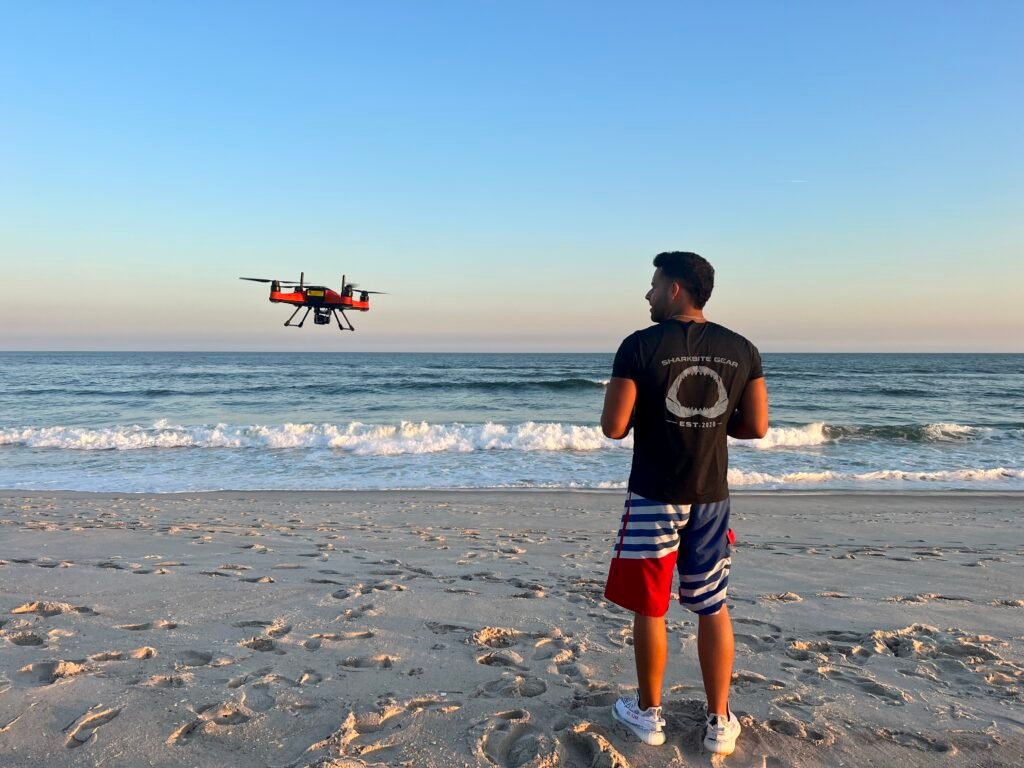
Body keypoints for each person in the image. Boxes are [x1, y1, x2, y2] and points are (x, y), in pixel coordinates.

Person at [601, 251, 768, 755]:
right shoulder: (742, 348)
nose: (648, 294)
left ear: (675, 289)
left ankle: (649, 714)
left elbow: (613, 427)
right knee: (711, 604)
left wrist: (654, 415)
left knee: (651, 607)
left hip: (655, 493)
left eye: (654, 285)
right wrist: (710, 422)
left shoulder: (638, 345)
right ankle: (719, 721)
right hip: (711, 496)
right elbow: (756, 426)